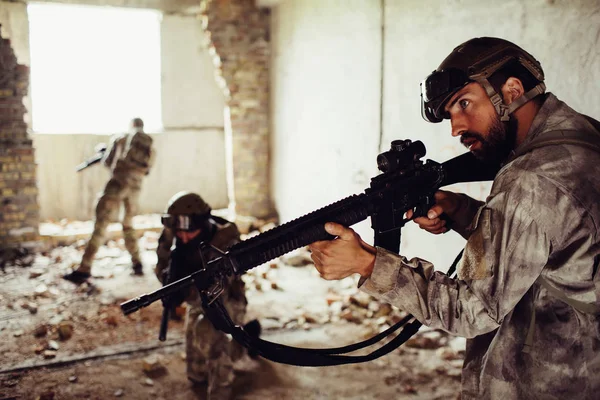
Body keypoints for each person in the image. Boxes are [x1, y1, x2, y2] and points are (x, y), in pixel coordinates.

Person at [308, 37, 600, 399]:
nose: (456, 127)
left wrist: (368, 264)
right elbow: (556, 243)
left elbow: (473, 310)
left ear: (511, 91)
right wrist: (464, 212)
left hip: (542, 381)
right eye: (450, 114)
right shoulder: (582, 138)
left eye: (465, 104)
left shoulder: (530, 180)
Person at [156, 191, 257, 399]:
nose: (183, 237)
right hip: (196, 301)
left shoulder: (225, 238)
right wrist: (170, 283)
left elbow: (220, 282)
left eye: (189, 232)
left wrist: (187, 282)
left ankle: (223, 386)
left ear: (203, 224)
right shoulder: (174, 234)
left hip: (225, 299)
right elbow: (161, 266)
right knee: (196, 371)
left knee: (206, 332)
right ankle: (244, 340)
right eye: (178, 232)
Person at [64, 117, 155, 284]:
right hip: (135, 188)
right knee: (128, 224)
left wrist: (105, 155)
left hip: (118, 184)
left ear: (131, 126)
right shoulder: (150, 146)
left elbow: (108, 162)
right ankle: (137, 263)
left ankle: (84, 267)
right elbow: (147, 170)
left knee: (101, 224)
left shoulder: (120, 138)